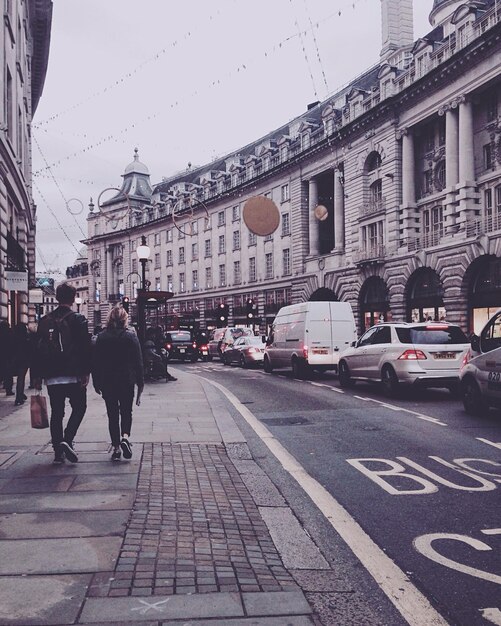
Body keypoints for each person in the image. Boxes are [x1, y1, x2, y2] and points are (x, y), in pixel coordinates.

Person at [32, 282, 91, 464]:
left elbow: (35, 350)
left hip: (51, 375)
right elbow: (85, 348)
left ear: (57, 298)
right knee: (79, 408)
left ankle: (58, 452)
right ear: (73, 299)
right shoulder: (78, 319)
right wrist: (86, 372)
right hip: (73, 374)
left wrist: (37, 376)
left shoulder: (44, 320)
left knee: (57, 413)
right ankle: (68, 439)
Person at [92, 306, 144, 461]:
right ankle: (125, 437)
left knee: (112, 414)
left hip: (108, 381)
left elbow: (96, 362)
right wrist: (140, 383)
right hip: (127, 380)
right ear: (124, 319)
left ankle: (115, 448)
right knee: (127, 411)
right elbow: (138, 361)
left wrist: (96, 382)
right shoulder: (131, 336)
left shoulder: (101, 337)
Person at [12, 323, 31, 406]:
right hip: (23, 361)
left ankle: (20, 395)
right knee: (21, 379)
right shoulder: (26, 339)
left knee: (20, 378)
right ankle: (19, 397)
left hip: (15, 360)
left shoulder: (13, 338)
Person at [0, 321, 14, 396]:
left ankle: (6, 385)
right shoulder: (10, 333)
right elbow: (12, 345)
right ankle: (8, 389)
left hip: (2, 356)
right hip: (8, 357)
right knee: (8, 374)